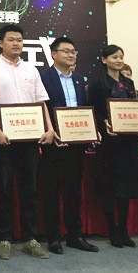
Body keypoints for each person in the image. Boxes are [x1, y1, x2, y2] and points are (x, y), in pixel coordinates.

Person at [0, 24, 55, 261]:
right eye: (11, 39)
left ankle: (30, 238)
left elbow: (41, 101)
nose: (16, 43)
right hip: (4, 138)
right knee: (3, 188)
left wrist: (50, 128)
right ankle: (5, 238)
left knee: (29, 188)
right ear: (1, 43)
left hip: (30, 138)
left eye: (19, 40)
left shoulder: (31, 69)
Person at [39, 37, 98, 255]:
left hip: (76, 143)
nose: (71, 55)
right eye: (66, 51)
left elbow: (84, 108)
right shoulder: (43, 77)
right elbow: (41, 107)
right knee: (51, 192)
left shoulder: (79, 79)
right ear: (53, 54)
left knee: (74, 191)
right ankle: (54, 237)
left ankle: (75, 235)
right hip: (54, 143)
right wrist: (52, 130)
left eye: (73, 51)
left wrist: (92, 130)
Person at [87, 44, 138, 248]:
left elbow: (135, 108)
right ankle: (112, 228)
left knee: (125, 187)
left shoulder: (129, 83)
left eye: (121, 57)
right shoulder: (97, 83)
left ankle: (123, 229)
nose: (119, 60)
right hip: (109, 141)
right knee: (109, 186)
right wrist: (104, 123)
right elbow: (92, 109)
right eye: (114, 57)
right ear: (104, 60)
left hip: (128, 141)